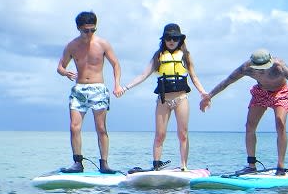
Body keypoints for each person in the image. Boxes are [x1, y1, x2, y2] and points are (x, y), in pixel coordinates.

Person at [199, 49, 288, 174]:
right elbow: (227, 81)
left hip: (280, 93)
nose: (261, 71)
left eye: (264, 68)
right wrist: (209, 96)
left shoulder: (279, 67)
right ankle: (251, 166)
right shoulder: (246, 68)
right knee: (250, 126)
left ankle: (280, 166)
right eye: (259, 68)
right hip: (260, 92)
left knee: (280, 123)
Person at [121, 23, 206, 172]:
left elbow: (194, 76)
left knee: (183, 134)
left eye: (174, 38)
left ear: (179, 39)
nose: (171, 41)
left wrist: (204, 93)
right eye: (168, 38)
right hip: (163, 100)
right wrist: (125, 88)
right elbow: (143, 75)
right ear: (164, 39)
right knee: (160, 134)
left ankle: (184, 166)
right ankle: (156, 164)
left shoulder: (185, 55)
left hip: (181, 99)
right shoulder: (158, 56)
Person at [56, 10, 123, 173]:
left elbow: (116, 64)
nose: (89, 33)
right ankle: (77, 163)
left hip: (98, 89)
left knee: (101, 127)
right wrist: (65, 73)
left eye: (93, 30)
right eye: (86, 30)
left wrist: (117, 85)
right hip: (79, 90)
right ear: (79, 28)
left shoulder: (102, 44)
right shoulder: (72, 45)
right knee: (74, 127)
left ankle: (104, 163)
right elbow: (60, 67)